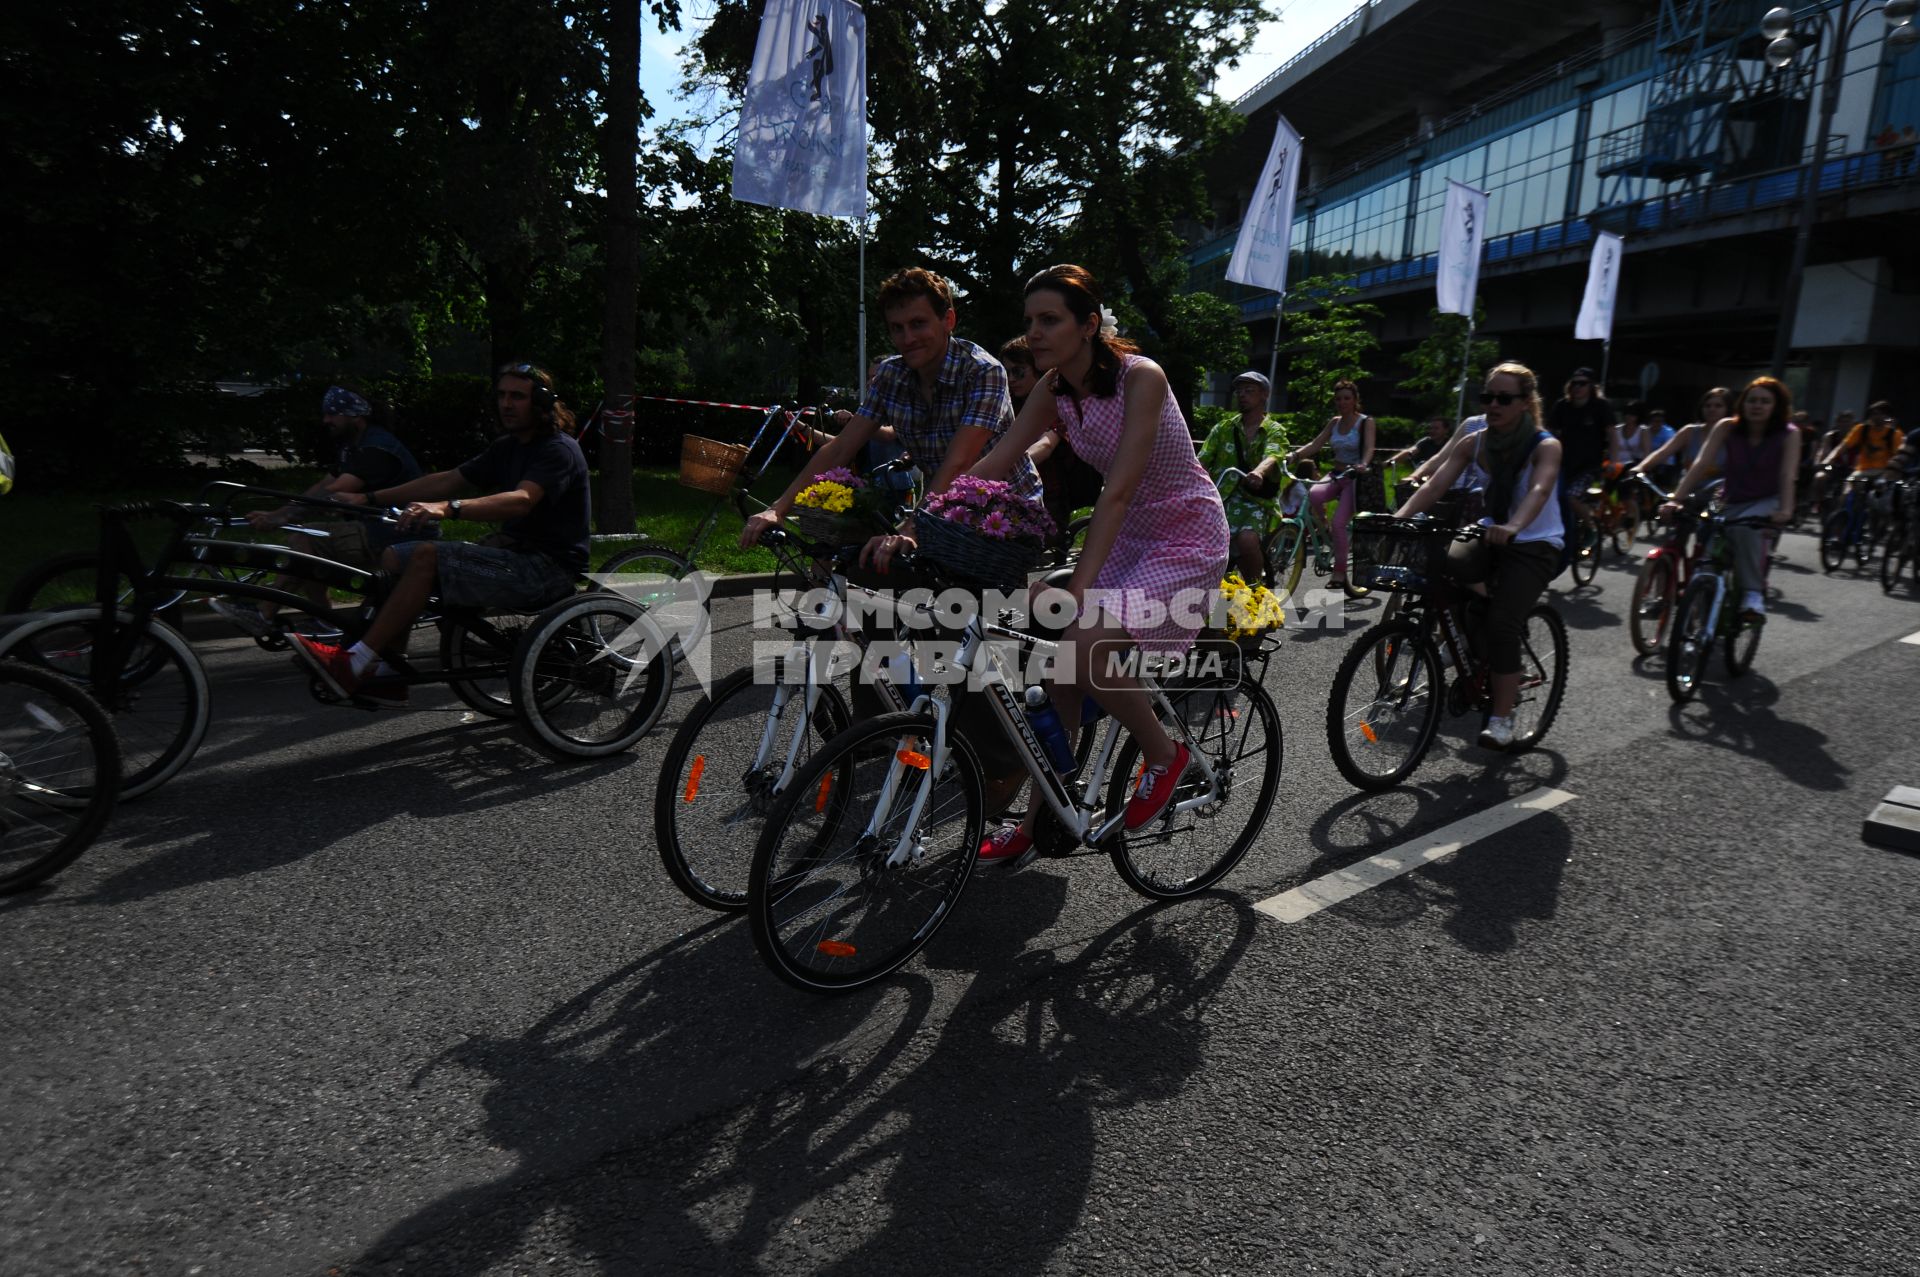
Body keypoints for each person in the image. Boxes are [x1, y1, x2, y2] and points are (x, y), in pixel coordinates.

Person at [968, 264, 1229, 860]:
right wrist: (925, 517)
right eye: (1030, 321)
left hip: (1183, 534)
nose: (1034, 332)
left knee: (1083, 643)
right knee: (1057, 679)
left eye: (1050, 319)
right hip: (1127, 536)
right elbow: (999, 461)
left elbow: (1116, 492)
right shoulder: (1054, 387)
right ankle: (1036, 826)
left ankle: (1165, 754)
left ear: (1089, 325)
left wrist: (1077, 589)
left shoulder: (1143, 378)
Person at [288, 363, 590, 703]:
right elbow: (447, 479)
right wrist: (369, 497)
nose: (506, 404)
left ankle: (355, 662)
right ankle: (391, 668)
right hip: (515, 555)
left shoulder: (557, 449)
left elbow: (521, 500)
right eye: (502, 395)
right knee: (393, 557)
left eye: (517, 396)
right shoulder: (509, 446)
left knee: (427, 555)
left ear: (542, 402)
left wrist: (449, 508)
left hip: (548, 569)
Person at [740, 268, 1039, 569]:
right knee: (846, 567)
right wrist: (777, 509)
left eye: (918, 324)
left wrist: (912, 527)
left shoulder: (982, 371)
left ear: (948, 320)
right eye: (897, 328)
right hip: (942, 509)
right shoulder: (891, 375)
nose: (908, 338)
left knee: (948, 603)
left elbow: (959, 463)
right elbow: (841, 448)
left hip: (1006, 513)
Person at [1396, 362, 1564, 751]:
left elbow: (1539, 491)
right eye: (1487, 397)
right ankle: (1471, 639)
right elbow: (1435, 486)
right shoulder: (1474, 441)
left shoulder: (1545, 445)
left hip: (1535, 542)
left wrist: (1515, 526)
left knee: (1502, 625)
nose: (1493, 404)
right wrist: (1398, 520)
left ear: (1526, 402)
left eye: (1504, 398)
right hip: (1489, 532)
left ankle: (1502, 717)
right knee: (1445, 565)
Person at [208, 386, 428, 638]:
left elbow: (335, 491)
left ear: (355, 416)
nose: (326, 420)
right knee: (308, 543)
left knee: (305, 539)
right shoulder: (356, 445)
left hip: (395, 533)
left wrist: (283, 516)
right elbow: (323, 485)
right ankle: (323, 620)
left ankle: (265, 613)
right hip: (381, 529)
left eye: (333, 414)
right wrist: (281, 512)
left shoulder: (376, 448)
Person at [1663, 376, 1800, 624]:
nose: (1757, 406)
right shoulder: (1726, 426)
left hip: (1765, 498)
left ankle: (1752, 595)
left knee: (1746, 533)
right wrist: (1676, 499)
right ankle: (1703, 596)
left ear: (1776, 406)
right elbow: (1701, 464)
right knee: (1706, 533)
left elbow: (1787, 474)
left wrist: (1786, 510)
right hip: (1725, 496)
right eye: (1752, 400)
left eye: (1765, 402)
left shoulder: (1789, 434)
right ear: (1742, 403)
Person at [1285, 379, 1376, 593]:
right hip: (1336, 473)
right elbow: (1316, 444)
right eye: (1338, 399)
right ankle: (1324, 527)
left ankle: (1340, 572)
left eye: (1346, 398)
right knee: (1314, 496)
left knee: (1339, 523)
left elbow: (1370, 448)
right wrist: (1295, 455)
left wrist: (1363, 463)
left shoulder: (1365, 422)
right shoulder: (1334, 422)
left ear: (1355, 400)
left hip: (1355, 477)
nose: (1342, 402)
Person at [1015, 334, 1104, 551]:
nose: (1010, 378)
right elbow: (1002, 450)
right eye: (1006, 371)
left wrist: (1009, 468)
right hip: (1021, 494)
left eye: (1017, 371)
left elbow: (1045, 446)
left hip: (1050, 497)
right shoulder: (1016, 406)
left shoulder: (1058, 401)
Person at [1196, 370, 1288, 581]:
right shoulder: (1223, 428)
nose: (1242, 395)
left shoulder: (1274, 430)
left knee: (1247, 541)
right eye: (1239, 391)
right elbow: (1203, 458)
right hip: (1220, 498)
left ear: (1264, 395)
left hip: (1255, 501)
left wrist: (1258, 472)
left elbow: (1273, 454)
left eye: (1249, 391)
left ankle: (1255, 590)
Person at [1547, 366, 1616, 520]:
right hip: (1564, 464)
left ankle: (1591, 527)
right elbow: (1550, 433)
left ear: (1591, 386)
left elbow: (1612, 434)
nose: (1577, 387)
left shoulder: (1601, 406)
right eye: (1574, 383)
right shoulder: (1562, 405)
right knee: (1552, 497)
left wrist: (1613, 460)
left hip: (1589, 466)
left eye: (1582, 383)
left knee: (1570, 497)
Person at [1635, 386, 1730, 493]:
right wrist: (1640, 467)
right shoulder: (1689, 431)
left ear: (1728, 409)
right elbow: (1663, 452)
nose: (1712, 409)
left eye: (1718, 406)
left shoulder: (1734, 436)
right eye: (1707, 406)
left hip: (1718, 500)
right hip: (1686, 495)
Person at [1822, 400, 1905, 478]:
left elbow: (1898, 457)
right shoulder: (1861, 429)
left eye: (1881, 414)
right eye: (1874, 414)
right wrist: (1829, 459)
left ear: (1888, 416)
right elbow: (1843, 446)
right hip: (1863, 470)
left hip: (1883, 473)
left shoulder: (1895, 434)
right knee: (1849, 487)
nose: (1877, 417)